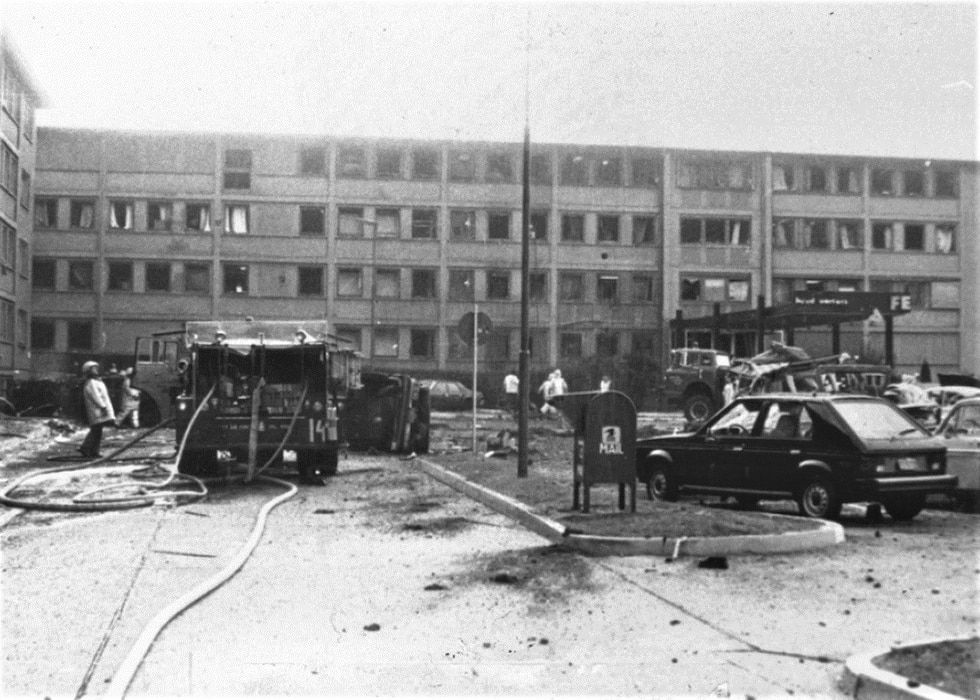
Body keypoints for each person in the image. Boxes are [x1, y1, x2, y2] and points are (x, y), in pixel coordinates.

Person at [79, 361, 115, 458]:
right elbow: (95, 396)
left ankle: (94, 451)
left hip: (99, 409)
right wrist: (102, 406)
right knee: (95, 430)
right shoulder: (91, 382)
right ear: (89, 370)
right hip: (96, 409)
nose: (96, 370)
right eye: (94, 368)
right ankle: (85, 448)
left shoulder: (96, 381)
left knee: (98, 430)